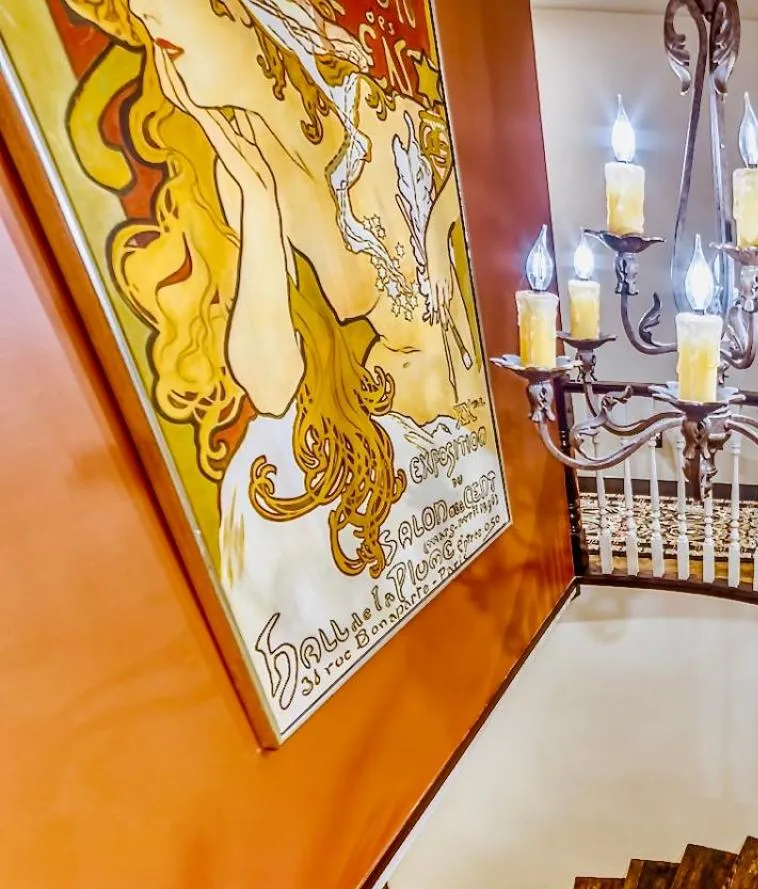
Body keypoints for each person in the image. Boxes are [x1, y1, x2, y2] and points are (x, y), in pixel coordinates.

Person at [69, 0, 502, 704]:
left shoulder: (380, 118)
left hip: (462, 459)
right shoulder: (240, 181)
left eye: (156, 12)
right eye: (138, 23)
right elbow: (270, 386)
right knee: (255, 497)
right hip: (410, 461)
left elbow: (459, 268)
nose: (152, 35)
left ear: (241, 13)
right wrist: (258, 199)